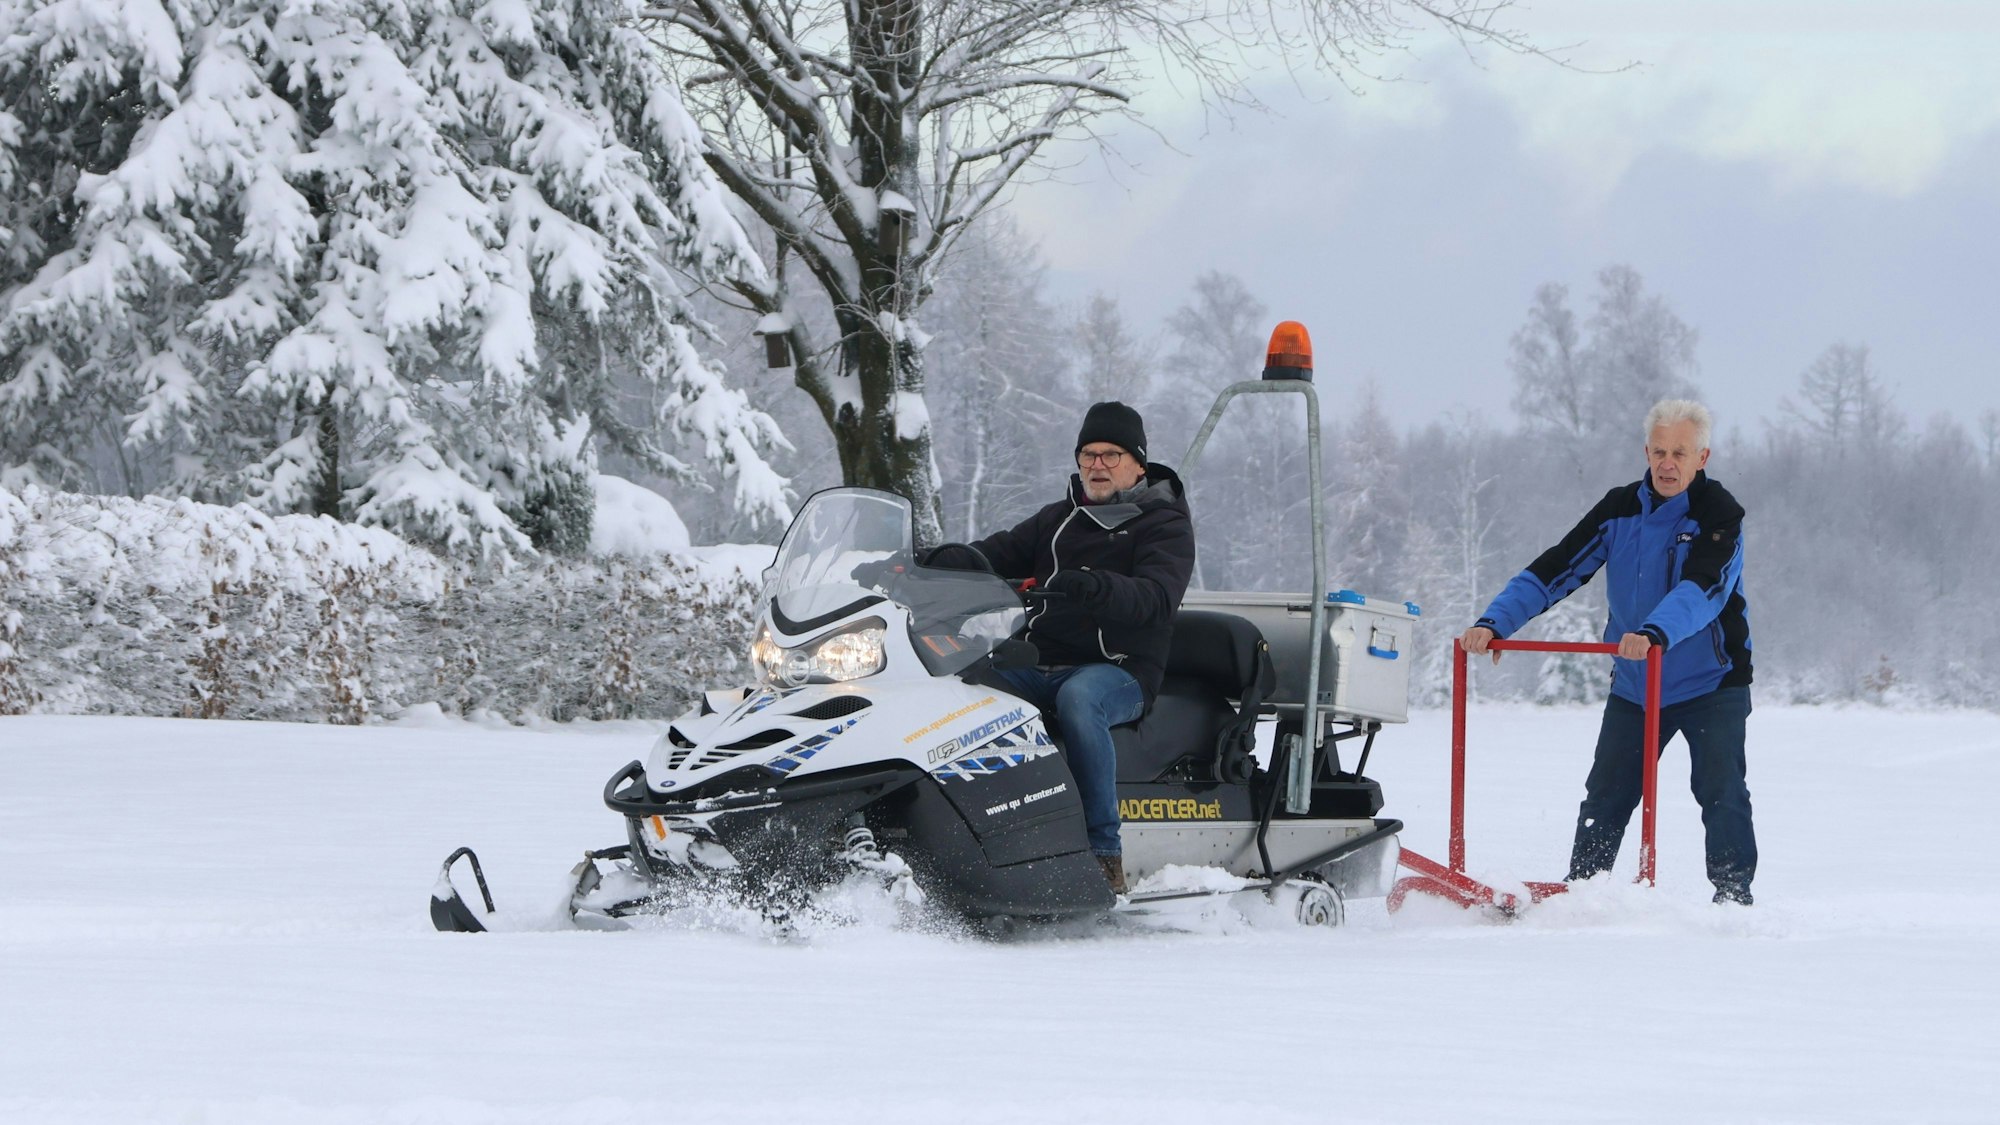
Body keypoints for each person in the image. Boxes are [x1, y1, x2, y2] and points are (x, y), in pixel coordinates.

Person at [1460, 400, 1758, 905]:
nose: (1668, 463)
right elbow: (1558, 567)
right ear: (1647, 451)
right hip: (1637, 685)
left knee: (1720, 792)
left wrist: (1653, 633)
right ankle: (1583, 894)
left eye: (1680, 453)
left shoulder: (1720, 515)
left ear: (1702, 457)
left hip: (1710, 683)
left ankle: (1732, 900)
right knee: (1606, 795)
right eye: (1659, 451)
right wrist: (1494, 622)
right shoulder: (1620, 508)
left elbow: (1704, 588)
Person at [963, 401, 1195, 895]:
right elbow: (993, 551)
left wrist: (1096, 586)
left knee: (1079, 700)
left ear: (1138, 463)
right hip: (1039, 661)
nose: (1097, 465)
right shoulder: (1058, 518)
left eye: (1111, 455)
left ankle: (1103, 855)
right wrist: (918, 562)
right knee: (965, 689)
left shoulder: (1165, 524)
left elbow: (1157, 598)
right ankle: (984, 836)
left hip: (1121, 671)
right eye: (1088, 454)